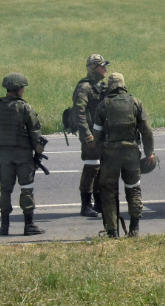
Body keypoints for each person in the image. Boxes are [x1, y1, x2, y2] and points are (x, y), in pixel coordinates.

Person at [93, 73, 154, 238]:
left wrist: (99, 150)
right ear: (123, 84)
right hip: (131, 155)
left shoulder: (103, 105)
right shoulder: (135, 103)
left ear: (110, 86)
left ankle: (112, 231)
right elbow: (147, 131)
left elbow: (96, 134)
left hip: (110, 156)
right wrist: (149, 152)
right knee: (133, 188)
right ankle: (134, 229)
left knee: (108, 192)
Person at [0, 73, 45, 236]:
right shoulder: (25, 108)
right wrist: (38, 154)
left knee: (5, 189)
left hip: (4, 154)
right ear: (18, 89)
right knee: (27, 188)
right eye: (22, 88)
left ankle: (4, 226)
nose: (23, 90)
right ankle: (29, 225)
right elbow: (35, 133)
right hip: (23, 154)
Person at [71, 54, 109, 217]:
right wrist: (87, 135)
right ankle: (86, 205)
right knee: (91, 168)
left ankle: (98, 203)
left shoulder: (100, 86)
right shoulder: (84, 87)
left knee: (101, 169)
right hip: (91, 136)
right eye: (102, 66)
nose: (105, 69)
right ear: (94, 68)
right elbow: (78, 113)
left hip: (102, 134)